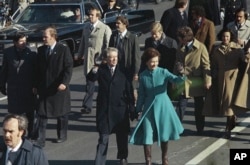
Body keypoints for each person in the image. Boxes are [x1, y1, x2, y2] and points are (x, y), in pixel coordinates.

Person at [129, 48, 184, 165]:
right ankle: (148, 161)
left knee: (164, 134)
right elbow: (142, 95)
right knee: (147, 135)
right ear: (146, 62)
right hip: (149, 108)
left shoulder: (163, 72)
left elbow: (176, 80)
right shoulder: (143, 76)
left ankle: (165, 158)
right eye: (152, 61)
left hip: (164, 106)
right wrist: (137, 110)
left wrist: (182, 74)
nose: (154, 64)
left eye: (156, 61)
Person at [88, 47, 134, 165]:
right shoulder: (101, 70)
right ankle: (99, 161)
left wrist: (132, 107)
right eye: (111, 57)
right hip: (104, 109)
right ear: (106, 59)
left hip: (120, 109)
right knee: (103, 137)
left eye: (115, 57)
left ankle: (123, 157)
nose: (113, 59)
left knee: (122, 136)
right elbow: (91, 78)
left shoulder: (124, 70)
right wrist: (95, 67)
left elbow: (129, 90)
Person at [203, 28, 249, 139]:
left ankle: (228, 127)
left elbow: (244, 61)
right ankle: (232, 118)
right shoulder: (216, 49)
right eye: (224, 36)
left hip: (232, 78)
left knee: (228, 102)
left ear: (231, 37)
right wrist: (212, 75)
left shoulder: (237, 49)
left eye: (227, 36)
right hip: (219, 78)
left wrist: (247, 55)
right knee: (223, 103)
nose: (225, 38)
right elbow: (213, 64)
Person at [35, 26, 73, 147]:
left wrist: (64, 83)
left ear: (53, 37)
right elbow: (37, 70)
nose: (43, 39)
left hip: (58, 88)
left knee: (61, 114)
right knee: (41, 114)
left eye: (45, 37)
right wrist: (35, 85)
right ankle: (40, 139)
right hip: (44, 88)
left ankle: (62, 135)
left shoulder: (63, 50)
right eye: (43, 37)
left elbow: (68, 68)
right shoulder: (41, 50)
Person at [174, 26, 211, 133]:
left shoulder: (201, 47)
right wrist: (175, 77)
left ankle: (200, 128)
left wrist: (207, 80)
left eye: (180, 38)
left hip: (196, 80)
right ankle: (175, 127)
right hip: (183, 80)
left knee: (199, 105)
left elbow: (206, 65)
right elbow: (176, 62)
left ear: (185, 39)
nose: (179, 40)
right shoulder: (180, 47)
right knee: (181, 105)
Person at [0, 32, 37, 139]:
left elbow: (36, 71)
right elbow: (4, 70)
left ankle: (31, 134)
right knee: (15, 114)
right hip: (14, 89)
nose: (23, 43)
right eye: (21, 41)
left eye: (25, 41)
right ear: (15, 42)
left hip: (28, 88)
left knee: (30, 113)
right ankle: (17, 134)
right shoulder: (8, 52)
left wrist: (35, 85)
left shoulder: (32, 52)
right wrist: (2, 85)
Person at [75, 7, 112, 114]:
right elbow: (83, 42)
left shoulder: (105, 28)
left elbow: (107, 45)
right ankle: (87, 106)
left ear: (98, 16)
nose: (90, 17)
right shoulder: (86, 27)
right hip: (89, 61)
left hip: (100, 61)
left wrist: (104, 60)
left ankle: (105, 104)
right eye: (89, 15)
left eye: (92, 15)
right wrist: (80, 54)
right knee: (89, 84)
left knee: (103, 85)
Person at [109, 16, 140, 99]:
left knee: (131, 91)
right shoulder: (114, 36)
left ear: (125, 24)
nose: (116, 25)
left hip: (129, 69)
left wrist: (136, 72)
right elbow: (110, 51)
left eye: (118, 23)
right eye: (116, 23)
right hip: (117, 69)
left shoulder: (132, 38)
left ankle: (134, 108)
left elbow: (136, 57)